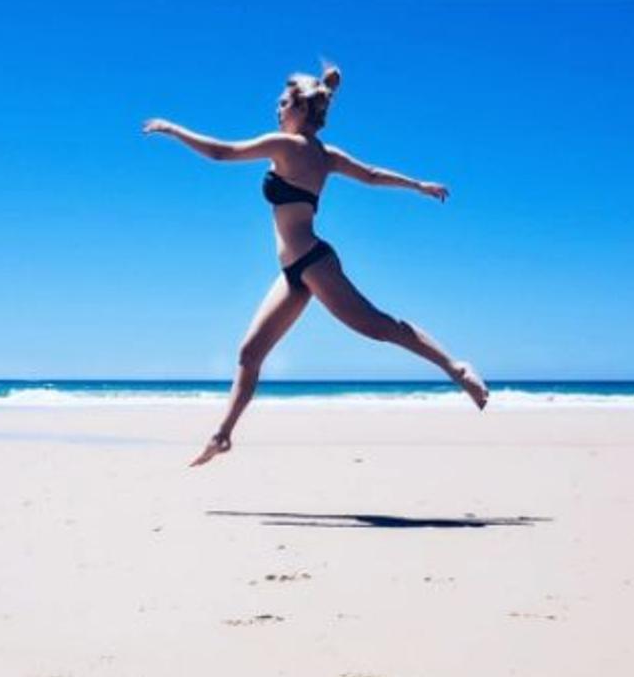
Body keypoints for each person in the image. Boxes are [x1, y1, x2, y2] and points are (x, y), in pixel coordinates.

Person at [142, 63, 489, 467]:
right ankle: (222, 436)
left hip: (311, 261)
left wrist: (172, 129)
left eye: (283, 102)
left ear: (301, 109)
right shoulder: (326, 155)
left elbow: (221, 153)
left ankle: (455, 367)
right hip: (294, 271)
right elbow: (373, 176)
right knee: (249, 353)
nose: (277, 108)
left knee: (378, 326)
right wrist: (418, 186)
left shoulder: (286, 146)